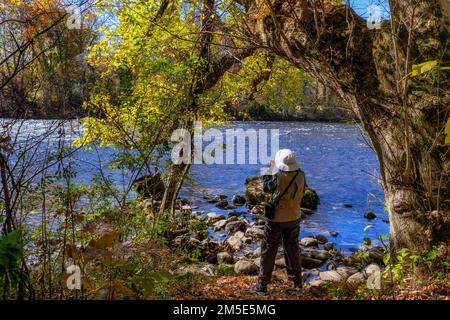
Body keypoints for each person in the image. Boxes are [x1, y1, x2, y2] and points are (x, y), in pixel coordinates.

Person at [250, 149, 306, 295]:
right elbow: (303, 192)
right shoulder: (301, 175)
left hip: (276, 219)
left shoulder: (277, 175)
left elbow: (266, 188)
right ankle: (297, 283)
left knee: (268, 250)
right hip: (294, 217)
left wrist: (269, 170)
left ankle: (262, 285)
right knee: (292, 250)